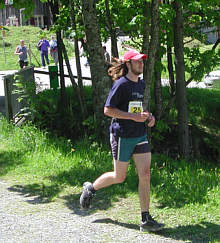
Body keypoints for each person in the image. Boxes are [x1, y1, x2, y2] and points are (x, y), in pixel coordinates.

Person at [80, 50, 165, 232]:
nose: (141, 64)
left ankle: (146, 218)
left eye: (142, 61)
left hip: (140, 135)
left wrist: (149, 117)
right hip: (122, 135)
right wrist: (131, 117)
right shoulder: (121, 85)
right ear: (128, 64)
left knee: (145, 174)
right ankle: (91, 188)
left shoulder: (141, 84)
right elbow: (108, 110)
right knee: (120, 176)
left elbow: (138, 109)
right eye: (137, 62)